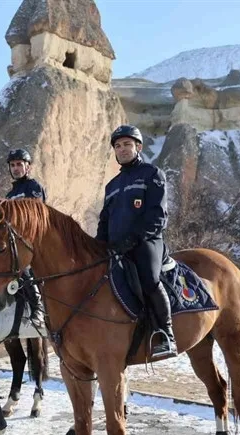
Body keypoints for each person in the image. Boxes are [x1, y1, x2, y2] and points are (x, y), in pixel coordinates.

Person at [96, 125, 176, 358]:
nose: (122, 149)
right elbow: (104, 221)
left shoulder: (152, 174)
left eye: (127, 144)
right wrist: (97, 246)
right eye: (118, 146)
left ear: (138, 147)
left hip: (146, 242)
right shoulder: (111, 186)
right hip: (116, 248)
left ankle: (166, 334)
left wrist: (133, 239)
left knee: (149, 279)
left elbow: (158, 216)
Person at [4, 149, 46, 328]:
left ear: (27, 167)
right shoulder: (9, 195)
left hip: (32, 240)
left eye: (19, 164)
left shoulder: (33, 187)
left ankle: (39, 308)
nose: (15, 168)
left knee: (23, 266)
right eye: (12, 165)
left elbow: (36, 215)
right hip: (14, 242)